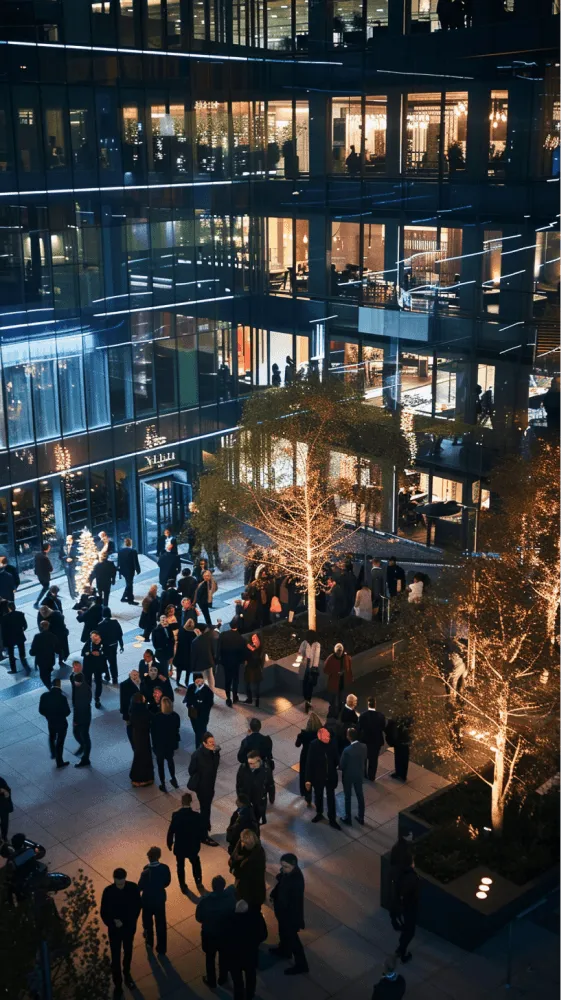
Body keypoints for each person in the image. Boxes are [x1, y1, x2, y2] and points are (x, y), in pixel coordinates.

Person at [100, 867, 141, 998]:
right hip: (115, 931)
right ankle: (118, 984)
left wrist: (125, 921)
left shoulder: (133, 888)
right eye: (118, 883)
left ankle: (127, 974)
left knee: (128, 951)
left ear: (125, 878)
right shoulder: (108, 892)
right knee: (115, 956)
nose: (120, 885)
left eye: (122, 882)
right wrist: (113, 922)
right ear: (114, 879)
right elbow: (103, 912)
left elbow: (137, 908)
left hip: (128, 928)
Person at [269, 853, 308, 975]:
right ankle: (284, 951)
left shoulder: (296, 881)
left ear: (294, 866)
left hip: (290, 917)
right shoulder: (288, 874)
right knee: (283, 933)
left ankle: (301, 965)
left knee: (293, 940)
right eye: (282, 866)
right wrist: (274, 895)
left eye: (285, 866)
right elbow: (280, 885)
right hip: (283, 913)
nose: (283, 869)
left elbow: (292, 902)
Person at [196, 874, 236, 988]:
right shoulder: (230, 899)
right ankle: (222, 978)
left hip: (209, 934)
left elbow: (199, 917)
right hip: (225, 934)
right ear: (223, 886)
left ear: (212, 887)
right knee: (224, 957)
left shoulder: (205, 901)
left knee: (210, 958)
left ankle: (211, 980)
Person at [224, 898, 268, 1000]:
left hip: (235, 956)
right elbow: (264, 935)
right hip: (250, 954)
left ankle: (239, 996)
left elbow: (225, 938)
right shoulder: (256, 918)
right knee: (251, 976)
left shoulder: (229, 920)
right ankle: (250, 994)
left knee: (237, 980)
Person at [166, 791, 204, 891]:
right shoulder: (196, 816)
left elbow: (171, 831)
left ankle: (183, 885)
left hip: (180, 846)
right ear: (190, 802)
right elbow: (201, 831)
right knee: (196, 863)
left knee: (180, 866)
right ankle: (198, 881)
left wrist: (169, 843)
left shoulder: (176, 815)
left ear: (182, 802)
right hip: (192, 846)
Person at [188, 731, 220, 845]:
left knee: (206, 809)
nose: (213, 744)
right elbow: (191, 770)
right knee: (205, 810)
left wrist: (215, 754)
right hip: (203, 787)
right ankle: (204, 835)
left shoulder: (214, 752)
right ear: (204, 743)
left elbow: (215, 767)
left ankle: (205, 827)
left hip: (210, 785)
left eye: (213, 741)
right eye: (210, 742)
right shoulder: (197, 755)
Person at [305, 726, 340, 829]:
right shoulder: (314, 745)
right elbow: (309, 763)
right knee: (318, 795)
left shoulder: (332, 743)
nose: (327, 738)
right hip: (318, 777)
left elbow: (336, 758)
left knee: (331, 798)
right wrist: (308, 779)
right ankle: (319, 813)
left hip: (330, 776)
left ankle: (332, 818)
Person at [138, 845, 171, 956]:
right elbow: (167, 882)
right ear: (159, 856)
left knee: (147, 923)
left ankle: (149, 942)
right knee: (161, 924)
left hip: (147, 901)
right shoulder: (165, 868)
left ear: (149, 857)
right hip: (159, 900)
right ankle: (162, 948)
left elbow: (140, 887)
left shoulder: (145, 872)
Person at [229, 828, 267, 909]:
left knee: (252, 910)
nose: (243, 844)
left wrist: (234, 870)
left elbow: (246, 875)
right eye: (243, 842)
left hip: (253, 890)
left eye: (246, 843)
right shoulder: (241, 843)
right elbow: (232, 859)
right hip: (242, 887)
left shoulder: (258, 855)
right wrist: (236, 860)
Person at [390, 859, 419, 963]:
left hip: (400, 908)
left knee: (406, 930)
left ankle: (401, 948)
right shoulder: (412, 878)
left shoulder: (399, 875)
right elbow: (413, 894)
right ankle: (401, 950)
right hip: (408, 909)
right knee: (409, 931)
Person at [236, 750, 275, 826]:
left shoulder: (266, 769)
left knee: (256, 820)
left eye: (252, 763)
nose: (250, 766)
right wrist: (240, 797)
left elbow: (270, 784)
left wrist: (271, 797)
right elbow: (239, 783)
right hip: (246, 799)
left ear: (258, 760)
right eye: (249, 763)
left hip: (259, 800)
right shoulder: (243, 767)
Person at [38, 678, 71, 768]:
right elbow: (67, 712)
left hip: (51, 722)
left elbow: (41, 710)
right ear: (60, 686)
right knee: (60, 742)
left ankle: (53, 753)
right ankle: (59, 761)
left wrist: (48, 716)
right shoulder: (62, 698)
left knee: (52, 737)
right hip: (61, 723)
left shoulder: (44, 696)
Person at [151, 696, 180, 792]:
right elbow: (177, 728)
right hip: (170, 744)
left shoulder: (157, 717)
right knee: (170, 761)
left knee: (160, 765)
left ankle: (163, 783)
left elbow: (153, 732)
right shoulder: (175, 716)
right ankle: (173, 778)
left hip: (159, 745)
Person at [217, 617, 247, 706]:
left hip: (226, 663)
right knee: (235, 680)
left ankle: (228, 698)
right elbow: (242, 654)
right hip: (236, 664)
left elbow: (219, 650)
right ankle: (235, 696)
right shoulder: (241, 639)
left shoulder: (223, 635)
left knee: (227, 680)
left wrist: (220, 660)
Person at [341, 727, 367, 826]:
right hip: (359, 774)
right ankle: (361, 817)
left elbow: (342, 765)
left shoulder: (347, 750)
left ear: (349, 737)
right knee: (360, 795)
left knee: (347, 796)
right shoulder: (364, 746)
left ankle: (348, 817)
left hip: (348, 776)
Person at [295, 711, 322, 804]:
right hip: (317, 757)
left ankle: (307, 794)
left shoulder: (304, 735)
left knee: (305, 776)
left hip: (305, 757)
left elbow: (297, 745)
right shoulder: (320, 735)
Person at [128, 693, 154, 787]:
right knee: (144, 756)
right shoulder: (143, 711)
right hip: (143, 736)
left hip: (137, 736)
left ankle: (137, 777)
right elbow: (151, 718)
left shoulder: (133, 710)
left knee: (139, 756)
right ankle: (142, 777)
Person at [358, 696, 386, 781]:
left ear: (368, 704)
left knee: (364, 759)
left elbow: (359, 728)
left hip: (365, 741)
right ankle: (372, 776)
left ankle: (363, 774)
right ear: (375, 704)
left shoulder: (363, 715)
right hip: (376, 742)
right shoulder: (381, 716)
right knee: (373, 760)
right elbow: (383, 727)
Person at [184, 673, 214, 748]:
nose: (198, 682)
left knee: (201, 733)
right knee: (196, 731)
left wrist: (197, 704)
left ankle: (200, 748)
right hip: (193, 715)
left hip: (202, 717)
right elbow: (187, 698)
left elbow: (209, 704)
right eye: (196, 681)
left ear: (203, 680)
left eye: (200, 680)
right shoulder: (191, 687)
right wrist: (189, 706)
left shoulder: (208, 691)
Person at [30, 620, 60, 689]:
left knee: (43, 675)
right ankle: (49, 683)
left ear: (41, 627)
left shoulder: (37, 636)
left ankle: (49, 686)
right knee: (48, 672)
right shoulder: (53, 636)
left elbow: (34, 648)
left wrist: (32, 652)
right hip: (50, 658)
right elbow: (57, 648)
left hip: (41, 659)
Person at [324, 643, 353, 713]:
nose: (339, 654)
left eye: (340, 652)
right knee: (333, 698)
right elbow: (325, 669)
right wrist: (335, 673)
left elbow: (349, 668)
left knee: (341, 698)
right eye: (338, 652)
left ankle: (339, 710)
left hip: (342, 681)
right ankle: (333, 711)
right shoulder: (331, 658)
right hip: (334, 681)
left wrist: (346, 674)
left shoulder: (346, 657)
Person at [97, 607, 124, 684]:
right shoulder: (115, 622)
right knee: (113, 663)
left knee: (104, 661)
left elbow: (99, 639)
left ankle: (107, 675)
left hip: (105, 647)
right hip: (114, 646)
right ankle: (114, 678)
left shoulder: (100, 625)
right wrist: (121, 645)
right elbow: (120, 635)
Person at [71, 671, 92, 768]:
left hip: (83, 718)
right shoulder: (82, 687)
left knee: (84, 736)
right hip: (83, 716)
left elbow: (80, 708)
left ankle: (85, 758)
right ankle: (83, 746)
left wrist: (76, 720)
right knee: (77, 733)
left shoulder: (82, 691)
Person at [297, 629, 321, 714]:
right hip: (304, 665)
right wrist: (300, 655)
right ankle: (306, 699)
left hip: (311, 667)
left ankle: (308, 700)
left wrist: (314, 668)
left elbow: (316, 657)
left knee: (310, 685)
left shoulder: (317, 645)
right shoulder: (304, 643)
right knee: (304, 683)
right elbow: (300, 652)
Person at [386, 707, 412, 782]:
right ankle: (403, 775)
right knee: (404, 758)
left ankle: (398, 773)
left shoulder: (396, 719)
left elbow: (390, 727)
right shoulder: (408, 719)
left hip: (398, 741)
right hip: (405, 741)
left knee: (398, 757)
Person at [82, 630, 107, 709]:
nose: (93, 639)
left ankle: (97, 698)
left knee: (98, 682)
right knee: (87, 682)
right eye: (92, 637)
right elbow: (83, 653)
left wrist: (100, 653)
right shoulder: (88, 643)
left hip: (98, 666)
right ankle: (88, 697)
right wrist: (90, 653)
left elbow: (107, 653)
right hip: (88, 666)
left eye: (94, 637)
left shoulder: (103, 643)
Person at [2, 602, 28, 673]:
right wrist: (21, 630)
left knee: (11, 655)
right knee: (22, 653)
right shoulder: (20, 614)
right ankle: (26, 666)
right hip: (19, 635)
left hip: (10, 638)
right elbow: (25, 626)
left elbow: (3, 631)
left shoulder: (5, 618)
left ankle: (14, 670)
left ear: (8, 608)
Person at [191, 623, 218, 691]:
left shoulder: (195, 642)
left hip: (200, 666)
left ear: (197, 630)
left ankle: (200, 694)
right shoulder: (209, 637)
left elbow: (194, 656)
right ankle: (211, 691)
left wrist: (192, 668)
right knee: (210, 678)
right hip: (209, 662)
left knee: (200, 681)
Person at [120, 669, 140, 747]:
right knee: (131, 731)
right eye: (133, 675)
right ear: (130, 675)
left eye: (136, 675)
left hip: (140, 713)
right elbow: (123, 701)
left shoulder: (142, 683)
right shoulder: (124, 685)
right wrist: (125, 716)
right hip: (130, 713)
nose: (135, 676)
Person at [173, 618, 196, 689]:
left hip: (180, 653)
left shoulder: (181, 630)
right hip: (189, 654)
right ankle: (186, 682)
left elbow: (178, 639)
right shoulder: (193, 634)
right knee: (188, 670)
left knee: (179, 669)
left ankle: (177, 681)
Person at [117, 538, 141, 605]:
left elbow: (119, 562)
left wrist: (119, 571)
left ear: (125, 543)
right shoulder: (133, 551)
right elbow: (135, 562)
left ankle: (125, 597)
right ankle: (130, 600)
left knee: (128, 583)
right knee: (130, 584)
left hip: (123, 570)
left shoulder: (120, 551)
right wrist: (138, 570)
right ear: (130, 543)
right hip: (130, 570)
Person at [244, 633, 265, 707]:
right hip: (251, 668)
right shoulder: (254, 647)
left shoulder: (259, 648)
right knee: (249, 685)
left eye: (255, 638)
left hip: (254, 669)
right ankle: (252, 699)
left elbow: (257, 657)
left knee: (254, 686)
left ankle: (254, 700)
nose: (253, 639)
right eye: (252, 638)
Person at [33, 542, 53, 609]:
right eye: (49, 547)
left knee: (46, 588)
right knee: (46, 588)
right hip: (45, 577)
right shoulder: (45, 558)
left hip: (39, 576)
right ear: (47, 549)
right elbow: (51, 569)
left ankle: (51, 596)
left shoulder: (37, 555)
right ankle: (37, 602)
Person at [60, 534, 78, 599]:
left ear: (72, 540)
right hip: (67, 567)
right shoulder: (63, 547)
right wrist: (65, 559)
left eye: (69, 540)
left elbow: (78, 556)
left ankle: (76, 592)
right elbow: (60, 556)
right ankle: (72, 595)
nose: (67, 541)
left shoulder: (75, 546)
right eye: (67, 540)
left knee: (74, 580)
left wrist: (72, 559)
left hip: (74, 566)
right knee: (70, 580)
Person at [0, 776, 13, 843]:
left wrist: (5, 792)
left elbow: (8, 791)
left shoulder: (1, 781)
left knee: (4, 823)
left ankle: (4, 837)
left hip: (2, 806)